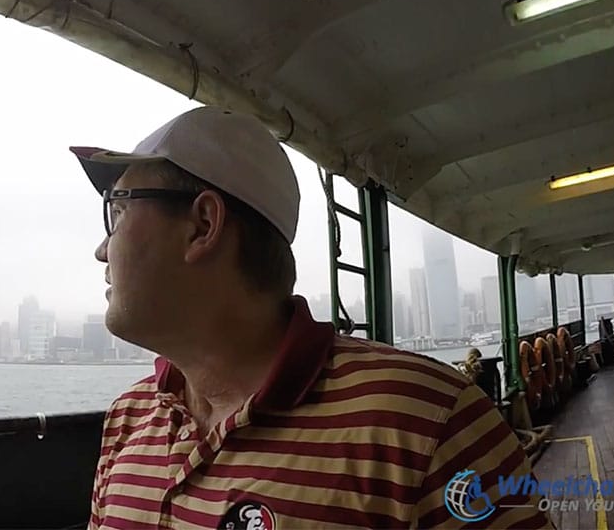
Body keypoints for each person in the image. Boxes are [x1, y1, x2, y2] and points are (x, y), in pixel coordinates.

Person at [71, 106, 553, 529]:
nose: (101, 250)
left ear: (203, 225)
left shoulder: (428, 422)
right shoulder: (128, 418)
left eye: (118, 211)